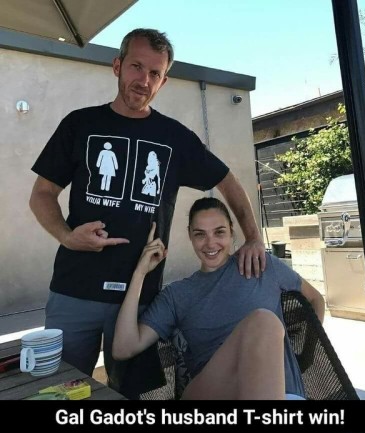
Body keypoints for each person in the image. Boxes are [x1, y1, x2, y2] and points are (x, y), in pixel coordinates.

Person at [29, 28, 265, 399]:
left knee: (130, 397)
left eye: (155, 73)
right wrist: (67, 236)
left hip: (139, 300)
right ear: (117, 66)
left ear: (164, 81)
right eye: (136, 67)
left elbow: (229, 182)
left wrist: (253, 237)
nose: (144, 80)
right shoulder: (79, 124)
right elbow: (42, 195)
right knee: (58, 392)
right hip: (74, 289)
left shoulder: (175, 137)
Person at [113, 197, 325, 399]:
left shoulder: (262, 264)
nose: (210, 243)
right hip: (214, 392)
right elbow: (123, 348)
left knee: (264, 323)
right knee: (264, 322)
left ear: (232, 232)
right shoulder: (178, 294)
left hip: (284, 392)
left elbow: (316, 299)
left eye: (219, 232)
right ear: (190, 236)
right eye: (200, 234)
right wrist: (140, 273)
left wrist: (306, 354)